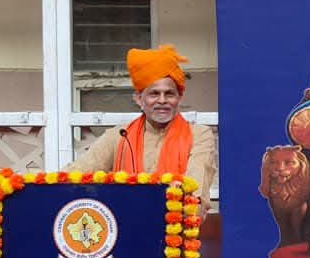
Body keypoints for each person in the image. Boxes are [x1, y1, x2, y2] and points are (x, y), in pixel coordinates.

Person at [68, 44, 216, 212]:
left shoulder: (199, 135)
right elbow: (76, 174)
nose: (162, 100)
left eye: (169, 94)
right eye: (154, 94)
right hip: (125, 222)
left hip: (177, 223)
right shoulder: (119, 136)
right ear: (139, 99)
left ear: (179, 98)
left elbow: (195, 190)